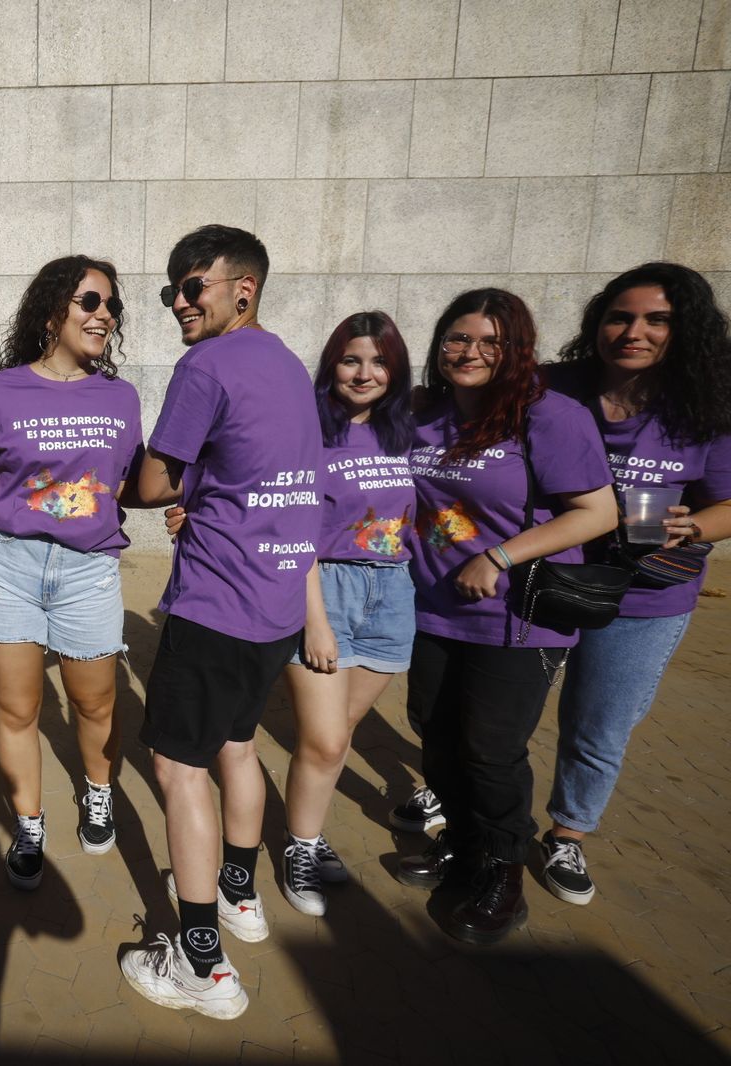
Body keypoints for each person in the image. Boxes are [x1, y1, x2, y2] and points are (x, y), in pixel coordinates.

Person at [121, 225, 319, 1020]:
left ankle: (202, 963)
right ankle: (238, 892)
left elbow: (152, 482)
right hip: (274, 609)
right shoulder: (289, 365)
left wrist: (141, 480)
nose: (177, 299)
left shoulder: (205, 364)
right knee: (237, 745)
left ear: (243, 289)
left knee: (177, 770)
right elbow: (252, 473)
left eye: (192, 284)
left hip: (218, 605)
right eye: (172, 287)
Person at [396, 288, 617, 945]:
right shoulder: (423, 413)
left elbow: (597, 512)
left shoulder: (547, 416)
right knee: (435, 739)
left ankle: (504, 877)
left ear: (517, 351)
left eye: (491, 342)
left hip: (516, 618)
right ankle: (464, 852)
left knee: (490, 752)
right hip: (434, 609)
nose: (470, 353)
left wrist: (498, 554)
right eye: (458, 339)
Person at [0, 256, 143, 889]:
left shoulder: (120, 397)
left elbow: (124, 482)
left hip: (88, 570)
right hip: (10, 567)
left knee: (94, 704)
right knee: (16, 709)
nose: (105, 316)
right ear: (53, 312)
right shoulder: (0, 391)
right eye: (91, 303)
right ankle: (29, 822)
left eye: (111, 307)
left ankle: (98, 791)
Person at [540, 263, 731, 904]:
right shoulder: (553, 388)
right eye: (620, 316)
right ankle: (462, 799)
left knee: (598, 725)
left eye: (657, 320)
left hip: (645, 595)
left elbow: (727, 504)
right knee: (492, 707)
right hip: (545, 580)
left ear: (686, 332)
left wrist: (693, 527)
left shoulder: (707, 405)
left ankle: (568, 834)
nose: (634, 331)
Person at [277, 311, 417, 916]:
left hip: (393, 592)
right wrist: (315, 619)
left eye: (379, 361)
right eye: (351, 359)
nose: (365, 373)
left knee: (337, 738)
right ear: (332, 363)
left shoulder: (408, 431)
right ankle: (300, 847)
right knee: (327, 740)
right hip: (325, 587)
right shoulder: (308, 427)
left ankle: (307, 829)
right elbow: (294, 525)